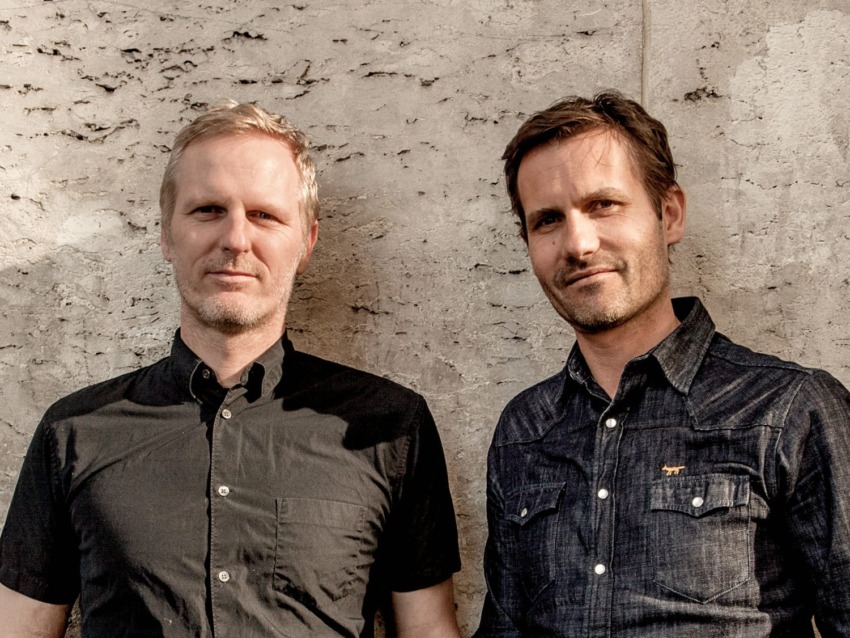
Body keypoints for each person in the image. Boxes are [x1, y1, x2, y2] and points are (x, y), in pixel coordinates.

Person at [0, 101, 461, 638]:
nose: (236, 239)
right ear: (167, 237)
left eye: (264, 215)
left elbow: (429, 631)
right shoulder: (73, 432)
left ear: (306, 243)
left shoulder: (388, 426)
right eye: (207, 210)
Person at [475, 91, 850, 637]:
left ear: (668, 213)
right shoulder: (525, 429)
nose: (578, 243)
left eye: (603, 204)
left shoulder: (790, 409)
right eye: (548, 220)